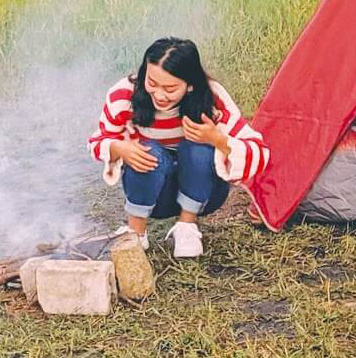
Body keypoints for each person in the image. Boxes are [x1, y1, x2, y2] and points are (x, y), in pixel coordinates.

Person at [87, 37, 270, 258]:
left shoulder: (212, 98)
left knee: (198, 148)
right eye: (151, 83)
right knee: (148, 150)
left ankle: (187, 227)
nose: (159, 95)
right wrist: (119, 148)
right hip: (154, 194)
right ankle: (136, 232)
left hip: (206, 195)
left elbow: (260, 152)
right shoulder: (124, 94)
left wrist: (218, 140)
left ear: (190, 85)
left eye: (170, 88)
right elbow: (97, 141)